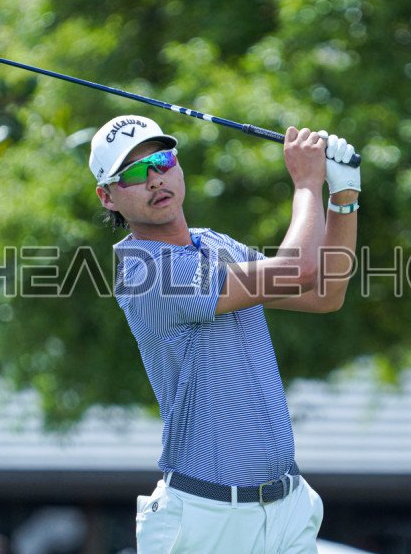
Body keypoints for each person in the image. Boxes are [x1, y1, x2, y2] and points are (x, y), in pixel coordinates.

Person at [88, 114, 360, 553]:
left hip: (287, 508)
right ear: (108, 196)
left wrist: (343, 196)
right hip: (207, 520)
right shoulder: (143, 273)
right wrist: (308, 183)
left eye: (161, 161)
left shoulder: (214, 244)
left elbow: (325, 292)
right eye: (134, 173)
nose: (155, 179)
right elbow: (297, 270)